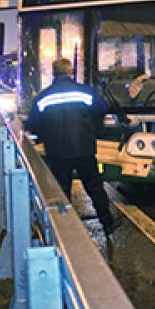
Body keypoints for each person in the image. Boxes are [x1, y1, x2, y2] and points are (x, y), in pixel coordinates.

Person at [25, 58, 121, 235]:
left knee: (61, 190)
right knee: (94, 187)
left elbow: (32, 123)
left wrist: (45, 135)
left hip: (57, 152)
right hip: (83, 149)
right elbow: (102, 108)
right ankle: (107, 222)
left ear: (54, 73)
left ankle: (63, 229)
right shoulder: (84, 92)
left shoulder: (43, 97)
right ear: (70, 72)